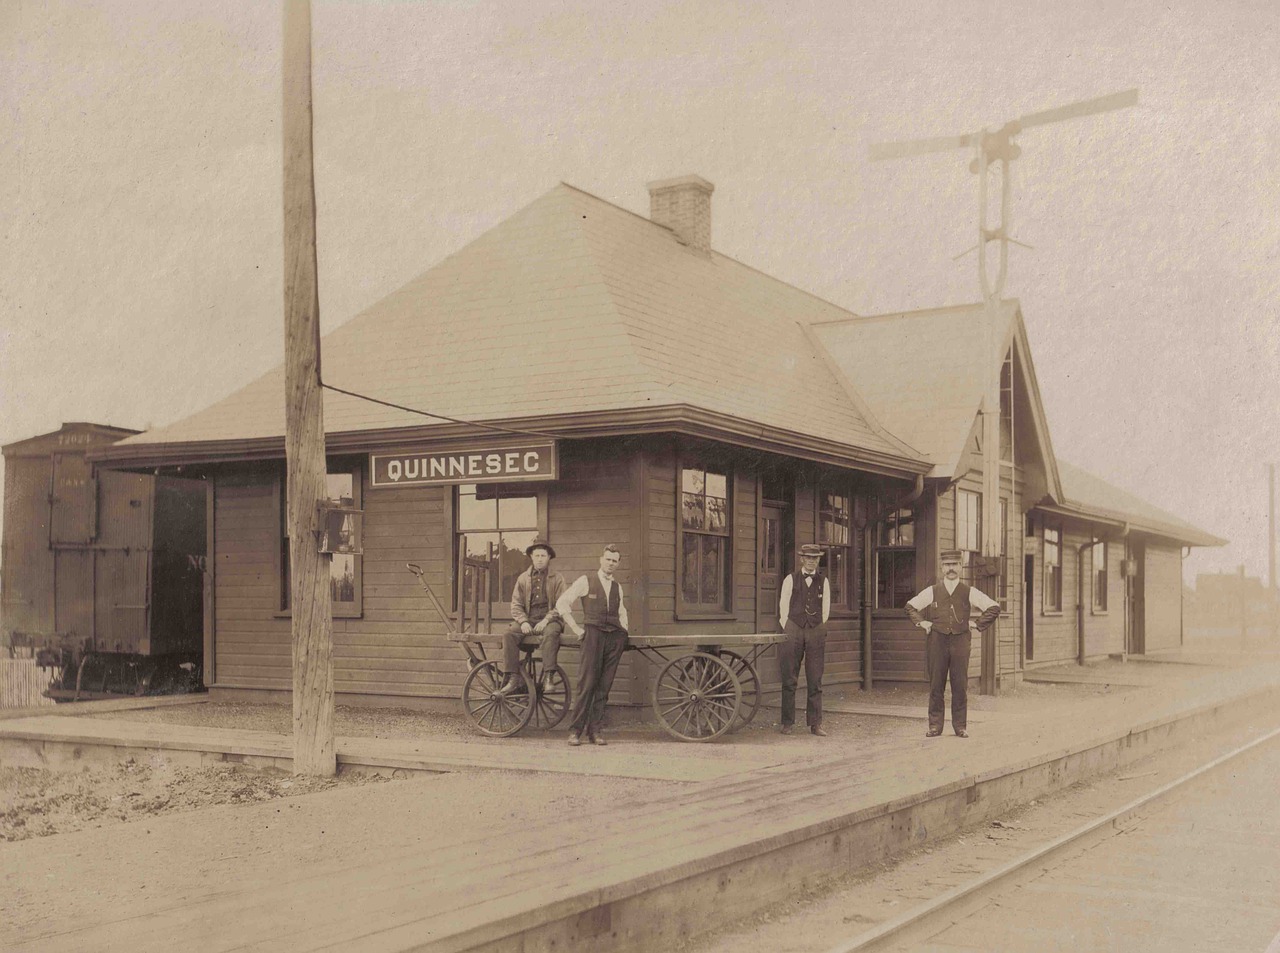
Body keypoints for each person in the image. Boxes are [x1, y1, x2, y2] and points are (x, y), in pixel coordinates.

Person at [906, 549, 1001, 738]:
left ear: (960, 566)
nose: (951, 568)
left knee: (960, 684)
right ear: (942, 568)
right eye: (947, 565)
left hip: (960, 642)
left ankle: (960, 726)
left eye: (954, 564)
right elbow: (910, 606)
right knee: (936, 684)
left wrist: (976, 624)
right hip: (937, 641)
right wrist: (922, 622)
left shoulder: (969, 591)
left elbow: (994, 607)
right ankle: (935, 726)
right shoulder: (932, 591)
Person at [556, 544, 629, 747]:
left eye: (615, 561)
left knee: (604, 686)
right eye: (608, 559)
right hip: (593, 635)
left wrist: (624, 632)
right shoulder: (585, 581)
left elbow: (622, 611)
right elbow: (562, 603)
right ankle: (575, 731)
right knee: (587, 684)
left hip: (614, 638)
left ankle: (595, 731)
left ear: (618, 564)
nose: (611, 563)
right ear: (601, 559)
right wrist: (577, 629)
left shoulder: (617, 587)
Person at [495, 536, 566, 696]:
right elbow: (516, 604)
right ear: (531, 557)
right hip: (529, 619)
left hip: (550, 620)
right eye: (537, 555)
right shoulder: (523, 579)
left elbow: (562, 604)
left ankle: (548, 676)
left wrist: (547, 619)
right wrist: (523, 621)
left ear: (549, 558)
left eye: (543, 556)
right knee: (509, 633)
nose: (540, 559)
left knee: (552, 632)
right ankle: (513, 678)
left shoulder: (558, 578)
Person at [777, 543, 831, 736]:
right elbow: (783, 605)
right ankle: (787, 723)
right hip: (793, 629)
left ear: (818, 560)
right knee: (789, 676)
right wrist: (788, 626)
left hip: (815, 630)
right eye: (808, 557)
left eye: (815, 558)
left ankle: (815, 724)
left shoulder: (823, 581)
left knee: (815, 678)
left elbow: (825, 609)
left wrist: (818, 626)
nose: (811, 561)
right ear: (802, 559)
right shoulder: (790, 579)